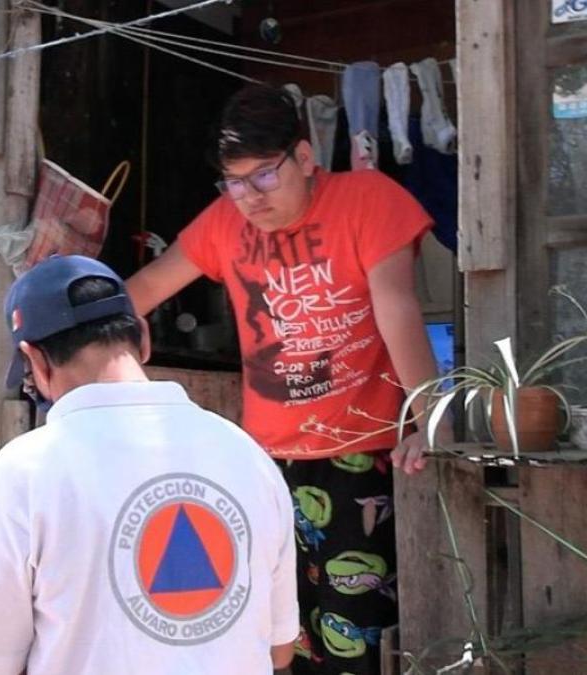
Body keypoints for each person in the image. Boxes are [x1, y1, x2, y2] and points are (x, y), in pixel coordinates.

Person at [126, 84, 449, 675]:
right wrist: (108, 338)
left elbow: (397, 309)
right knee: (272, 637)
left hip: (360, 458)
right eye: (235, 181)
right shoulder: (225, 221)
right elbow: (143, 290)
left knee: (355, 637)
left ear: (304, 158)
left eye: (265, 176)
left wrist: (432, 424)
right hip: (264, 466)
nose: (249, 196)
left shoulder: (369, 199)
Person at [0, 255, 297, 674]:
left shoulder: (23, 472)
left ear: (35, 361)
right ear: (143, 338)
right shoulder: (248, 456)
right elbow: (279, 650)